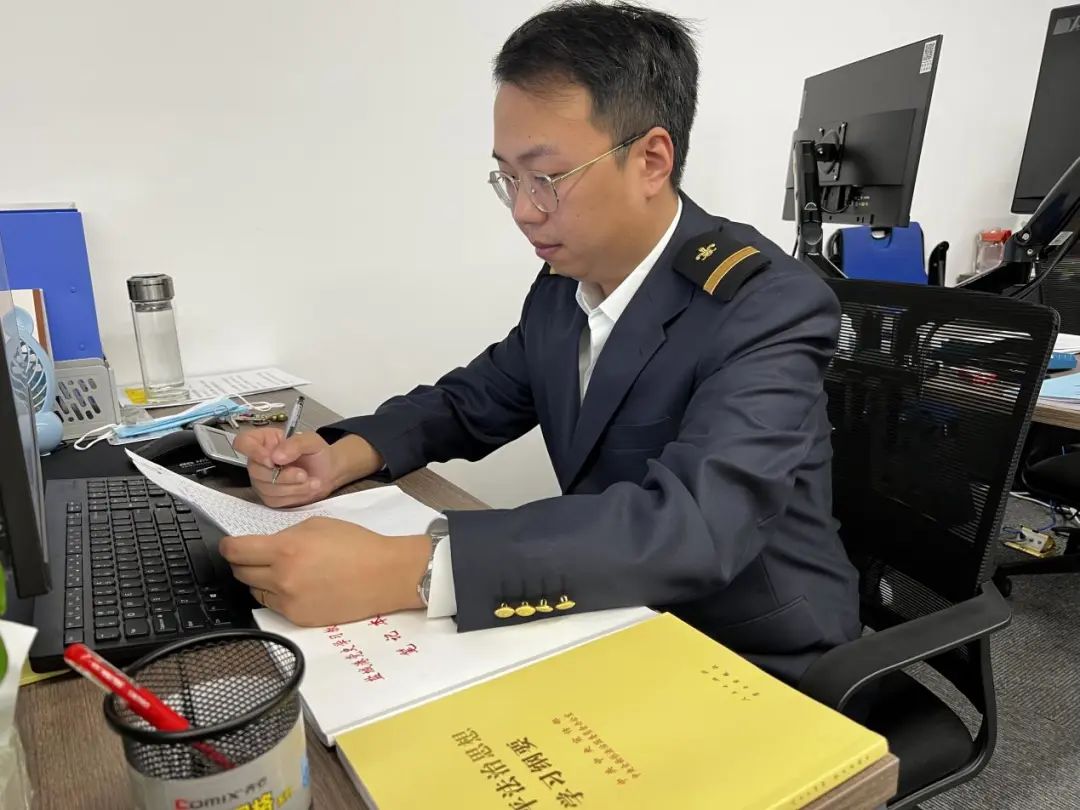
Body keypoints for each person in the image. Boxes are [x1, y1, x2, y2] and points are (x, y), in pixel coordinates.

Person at [222, 0, 861, 684]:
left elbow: (693, 528)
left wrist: (412, 569)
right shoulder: (566, 282)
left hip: (753, 656)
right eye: (509, 178)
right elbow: (474, 400)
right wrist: (342, 454)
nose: (525, 211)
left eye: (547, 178)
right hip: (613, 613)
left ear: (651, 160)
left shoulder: (765, 305)